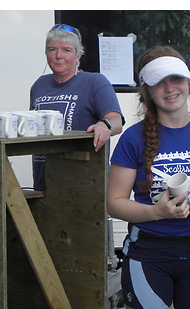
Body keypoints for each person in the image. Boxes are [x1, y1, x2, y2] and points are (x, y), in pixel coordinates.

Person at [106, 46, 190, 309]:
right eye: (158, 82)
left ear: (188, 82)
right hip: (148, 252)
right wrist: (158, 212)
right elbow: (114, 203)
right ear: (146, 91)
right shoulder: (132, 138)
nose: (169, 88)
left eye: (175, 79)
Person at [30, 24, 124, 191]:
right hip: (43, 185)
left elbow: (116, 120)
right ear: (46, 54)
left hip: (84, 189)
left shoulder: (95, 82)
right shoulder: (39, 85)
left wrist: (104, 125)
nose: (58, 56)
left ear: (79, 55)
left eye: (66, 50)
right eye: (52, 49)